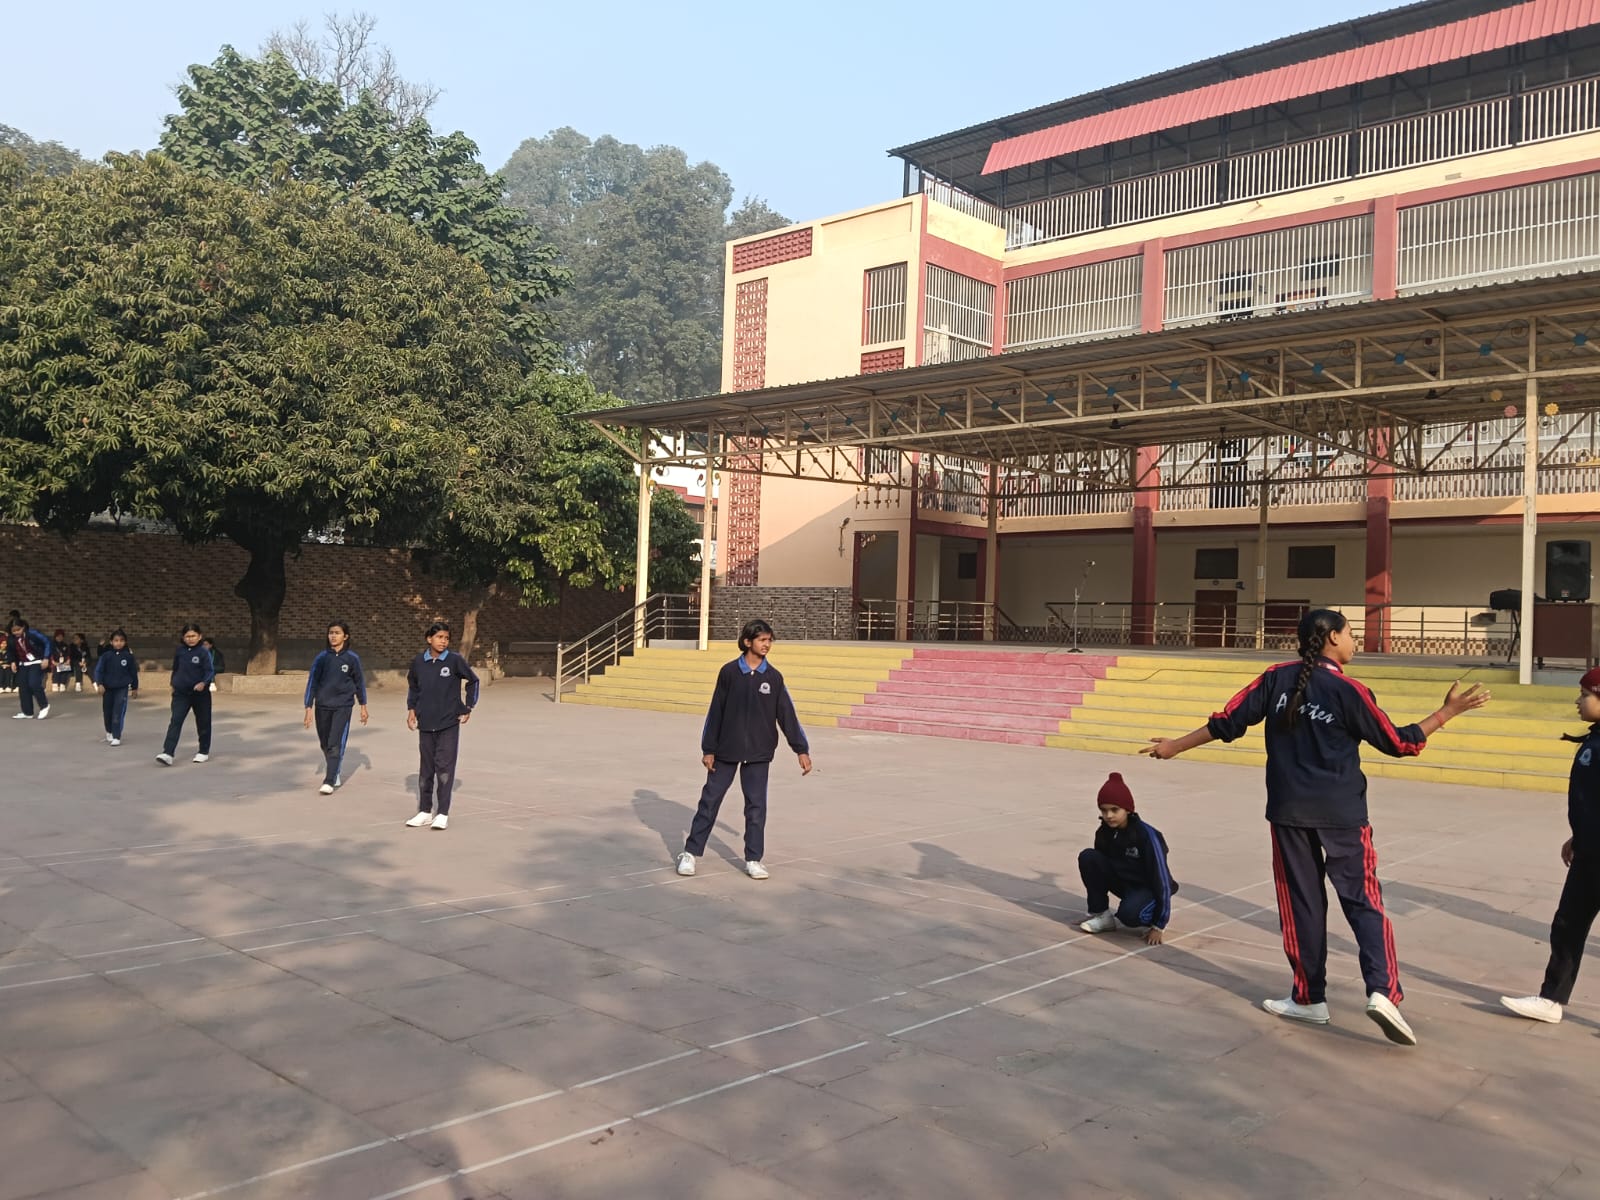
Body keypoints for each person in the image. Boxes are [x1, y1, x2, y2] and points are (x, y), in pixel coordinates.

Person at [1144, 608, 1489, 1046]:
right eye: (1351, 633)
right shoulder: (1349, 690)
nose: (1355, 641)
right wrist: (1446, 713)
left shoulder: (1275, 678)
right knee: (1364, 902)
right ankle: (1383, 993)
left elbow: (1228, 721)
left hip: (1289, 813)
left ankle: (1309, 998)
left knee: (1301, 906)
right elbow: (1400, 742)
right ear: (1332, 638)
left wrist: (1176, 745)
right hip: (1342, 816)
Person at [1499, 667, 1600, 1026]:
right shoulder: (1594, 739)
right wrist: (1578, 837)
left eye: (1585, 694)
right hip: (1589, 853)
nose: (1578, 700)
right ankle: (1551, 999)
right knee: (1567, 925)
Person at [677, 619, 812, 881]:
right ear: (748, 641)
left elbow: (787, 715)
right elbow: (715, 712)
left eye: (769, 640)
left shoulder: (773, 677)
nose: (767, 645)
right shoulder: (729, 672)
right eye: (762, 640)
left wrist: (801, 749)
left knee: (756, 807)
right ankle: (690, 853)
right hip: (726, 750)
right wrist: (709, 749)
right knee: (710, 801)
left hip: (759, 753)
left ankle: (753, 859)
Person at [1078, 773, 1177, 945]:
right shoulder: (1103, 832)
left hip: (1148, 888)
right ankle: (1101, 916)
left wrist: (1159, 924)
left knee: (1129, 916)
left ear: (1128, 809)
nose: (1109, 815)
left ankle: (1149, 913)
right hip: (1125, 884)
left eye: (1114, 810)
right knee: (1089, 857)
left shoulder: (1146, 835)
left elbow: (1161, 879)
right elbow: (1099, 870)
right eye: (1104, 810)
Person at [404, 622, 479, 830]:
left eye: (446, 638)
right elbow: (413, 687)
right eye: (439, 637)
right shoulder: (419, 662)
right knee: (426, 770)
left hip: (448, 723)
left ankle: (442, 813)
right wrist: (411, 709)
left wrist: (468, 706)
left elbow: (473, 681)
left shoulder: (454, 660)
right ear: (429, 639)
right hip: (426, 723)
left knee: (444, 769)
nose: (443, 641)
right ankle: (425, 811)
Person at [304, 620, 368, 795]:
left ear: (345, 636)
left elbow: (359, 682)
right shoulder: (322, 658)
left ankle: (330, 780)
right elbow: (312, 682)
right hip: (323, 705)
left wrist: (363, 705)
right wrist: (308, 707)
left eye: (337, 633)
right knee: (325, 743)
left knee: (334, 743)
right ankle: (334, 769)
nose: (333, 636)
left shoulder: (352, 658)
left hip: (343, 706)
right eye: (331, 633)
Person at [155, 622, 215, 765]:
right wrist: (173, 683)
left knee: (203, 722)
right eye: (188, 636)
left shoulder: (203, 652)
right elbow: (176, 668)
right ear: (183, 637)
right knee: (176, 720)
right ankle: (168, 752)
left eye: (193, 636)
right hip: (181, 693)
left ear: (199, 636)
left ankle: (203, 751)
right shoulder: (180, 651)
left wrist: (203, 683)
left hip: (200, 694)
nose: (190, 639)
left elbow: (209, 671)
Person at [92, 630, 139, 746]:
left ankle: (117, 736)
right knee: (107, 711)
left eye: (121, 640)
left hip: (122, 688)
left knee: (118, 711)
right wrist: (99, 683)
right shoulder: (106, 656)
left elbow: (133, 673)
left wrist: (135, 687)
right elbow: (99, 670)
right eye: (116, 640)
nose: (119, 643)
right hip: (107, 688)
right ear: (111, 642)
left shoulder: (128, 657)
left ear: (125, 642)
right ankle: (109, 731)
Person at [6, 617, 52, 719]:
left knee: (34, 683)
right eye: (14, 631)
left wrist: (46, 658)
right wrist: (12, 662)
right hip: (23, 664)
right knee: (23, 687)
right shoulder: (11, 639)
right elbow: (10, 651)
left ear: (23, 627)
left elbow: (47, 642)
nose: (16, 632)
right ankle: (27, 712)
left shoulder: (32, 634)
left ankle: (44, 705)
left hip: (36, 661)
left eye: (18, 630)